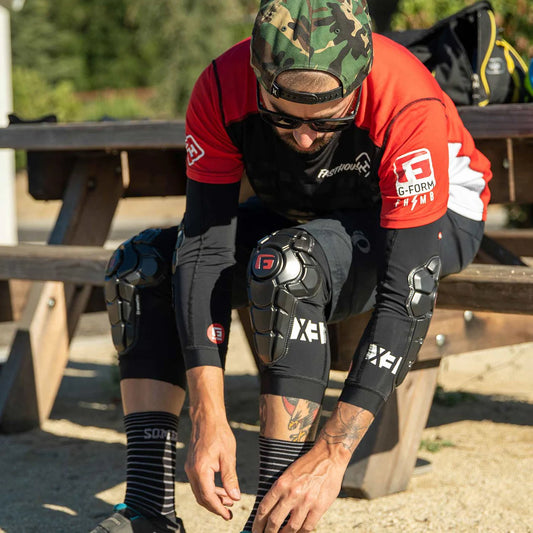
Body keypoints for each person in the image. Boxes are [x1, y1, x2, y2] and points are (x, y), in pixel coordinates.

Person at [91, 0, 491, 532]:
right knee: (140, 268)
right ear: (257, 75)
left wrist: (331, 454)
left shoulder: (405, 99)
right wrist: (209, 415)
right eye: (281, 117)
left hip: (438, 216)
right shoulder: (221, 85)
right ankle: (147, 508)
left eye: (327, 120)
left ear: (360, 84)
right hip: (311, 206)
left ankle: (276, 521)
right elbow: (205, 250)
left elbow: (407, 296)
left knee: (289, 268)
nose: (303, 138)